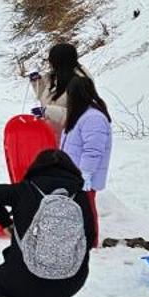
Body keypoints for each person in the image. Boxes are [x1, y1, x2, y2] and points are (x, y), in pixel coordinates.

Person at [0, 149, 96, 297]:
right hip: (72, 279)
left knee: (6, 270)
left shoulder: (25, 189)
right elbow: (90, 237)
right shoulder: (80, 196)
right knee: (60, 264)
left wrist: (5, 222)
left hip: (23, 278)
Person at [60, 75, 112, 232]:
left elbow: (93, 150)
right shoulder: (80, 115)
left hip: (83, 178)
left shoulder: (94, 118)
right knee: (76, 212)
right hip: (72, 175)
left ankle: (90, 241)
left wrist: (85, 174)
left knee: (86, 212)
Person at [29, 43, 89, 133]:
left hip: (71, 138)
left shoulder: (81, 84)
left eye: (52, 62)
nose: (50, 65)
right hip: (52, 135)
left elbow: (80, 116)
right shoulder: (56, 77)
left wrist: (48, 111)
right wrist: (38, 83)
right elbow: (46, 100)